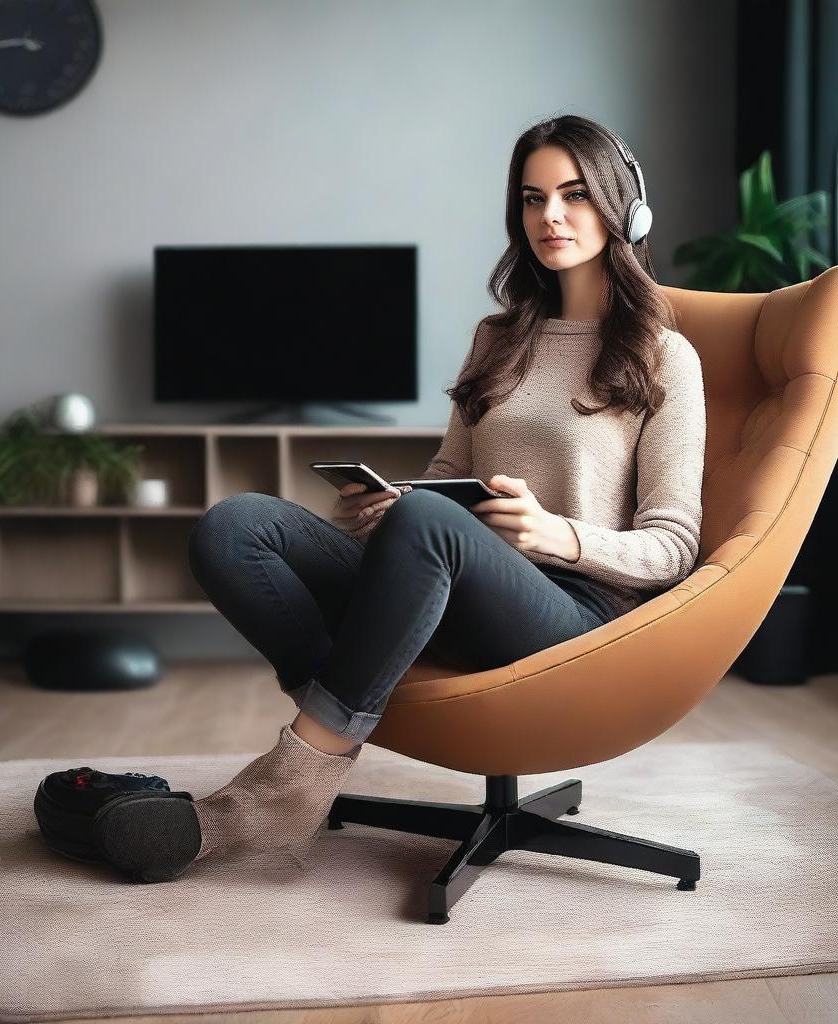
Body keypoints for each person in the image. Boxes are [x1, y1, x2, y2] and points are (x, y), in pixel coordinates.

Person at [91, 113, 706, 884]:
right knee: (234, 526)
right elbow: (451, 465)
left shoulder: (663, 356)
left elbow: (675, 546)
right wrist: (396, 502)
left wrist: (554, 535)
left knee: (425, 521)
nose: (550, 216)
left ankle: (296, 779)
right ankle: (348, 694)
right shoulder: (499, 338)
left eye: (575, 195)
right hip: (451, 586)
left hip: (571, 613)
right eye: (532, 197)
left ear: (623, 207)